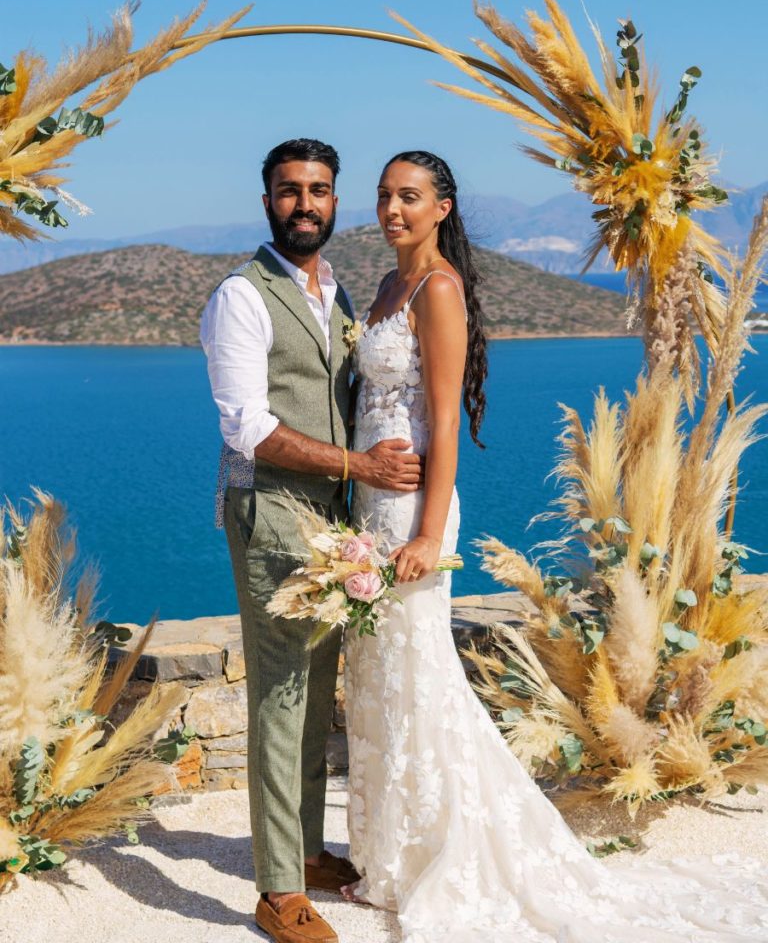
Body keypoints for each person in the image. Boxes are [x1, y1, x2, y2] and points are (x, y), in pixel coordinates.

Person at [341, 149, 768, 942]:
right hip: (371, 502)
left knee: (418, 673)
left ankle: (455, 851)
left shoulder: (437, 290)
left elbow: (441, 423)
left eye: (409, 197)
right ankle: (392, 855)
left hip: (411, 517)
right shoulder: (386, 286)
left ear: (443, 207)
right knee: (381, 680)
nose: (392, 209)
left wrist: (431, 534)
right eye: (384, 195)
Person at [200, 138, 423, 943]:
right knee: (280, 695)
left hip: (332, 519)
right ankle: (276, 892)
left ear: (334, 202)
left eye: (319, 190)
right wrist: (359, 462)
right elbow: (246, 424)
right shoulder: (241, 295)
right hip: (269, 512)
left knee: (314, 687)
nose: (306, 204)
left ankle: (305, 852)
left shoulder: (334, 291)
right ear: (267, 202)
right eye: (290, 191)